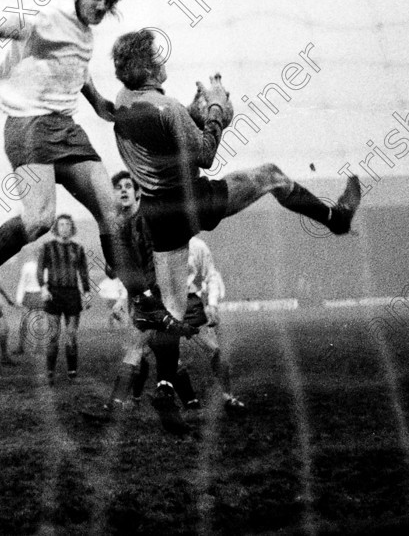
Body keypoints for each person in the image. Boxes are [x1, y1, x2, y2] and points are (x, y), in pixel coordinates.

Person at [0, 0, 162, 331]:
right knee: (40, 220)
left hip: (65, 127)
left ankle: (140, 298)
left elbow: (77, 65)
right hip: (29, 125)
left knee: (112, 212)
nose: (102, 7)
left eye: (109, 3)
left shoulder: (84, 32)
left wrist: (99, 104)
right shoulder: (54, 15)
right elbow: (24, 26)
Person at [110, 28, 361, 330]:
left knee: (171, 311)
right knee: (271, 176)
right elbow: (204, 155)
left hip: (157, 215)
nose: (163, 60)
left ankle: (167, 376)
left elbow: (159, 139)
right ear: (148, 67)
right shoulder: (169, 107)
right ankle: (336, 218)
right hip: (189, 201)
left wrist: (193, 115)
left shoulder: (124, 100)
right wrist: (217, 111)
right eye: (157, 56)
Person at [102, 171, 193, 434]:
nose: (123, 190)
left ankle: (116, 406)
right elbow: (111, 271)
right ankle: (184, 401)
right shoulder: (117, 226)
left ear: (138, 192)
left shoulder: (149, 218)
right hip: (140, 296)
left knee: (140, 348)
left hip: (159, 294)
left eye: (128, 186)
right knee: (159, 353)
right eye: (118, 187)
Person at [132, 236, 246, 414]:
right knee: (155, 355)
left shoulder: (197, 245)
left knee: (215, 350)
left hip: (191, 305)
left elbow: (211, 275)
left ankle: (228, 398)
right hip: (163, 305)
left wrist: (212, 304)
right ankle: (189, 404)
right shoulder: (151, 244)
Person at [38, 215, 91, 384]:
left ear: (72, 228)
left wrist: (87, 292)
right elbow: (40, 270)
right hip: (53, 293)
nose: (65, 227)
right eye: (61, 224)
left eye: (68, 224)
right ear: (56, 228)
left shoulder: (78, 249)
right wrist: (44, 287)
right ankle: (50, 373)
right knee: (53, 335)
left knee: (71, 335)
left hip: (72, 295)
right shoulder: (47, 247)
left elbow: (83, 272)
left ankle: (72, 373)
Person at [13, 257, 44, 355]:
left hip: (40, 294)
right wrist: (19, 299)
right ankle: (21, 347)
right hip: (28, 295)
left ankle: (38, 347)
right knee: (24, 322)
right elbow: (22, 282)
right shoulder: (27, 266)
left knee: (39, 323)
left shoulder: (45, 266)